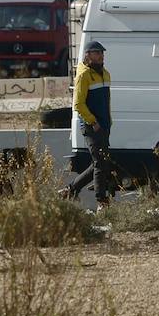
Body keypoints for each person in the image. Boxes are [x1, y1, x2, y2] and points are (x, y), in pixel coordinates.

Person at [63, 40, 114, 207]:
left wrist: (108, 122)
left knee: (100, 163)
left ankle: (70, 190)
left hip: (104, 125)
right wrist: (93, 121)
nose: (101, 56)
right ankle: (102, 202)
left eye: (102, 53)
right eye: (97, 53)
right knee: (100, 162)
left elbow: (106, 101)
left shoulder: (105, 73)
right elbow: (78, 104)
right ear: (88, 55)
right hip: (91, 126)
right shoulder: (83, 75)